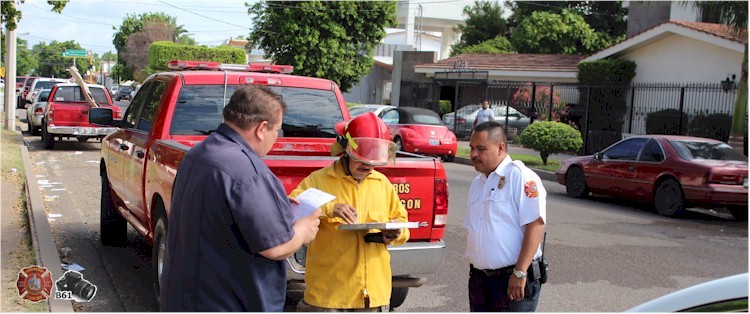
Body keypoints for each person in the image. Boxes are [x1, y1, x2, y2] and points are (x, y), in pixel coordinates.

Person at [160, 85, 321, 311]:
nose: (277, 139)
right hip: (228, 302)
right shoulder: (248, 172)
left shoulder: (197, 155)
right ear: (261, 128)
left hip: (187, 297)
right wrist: (304, 230)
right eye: (277, 131)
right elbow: (276, 247)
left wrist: (270, 203)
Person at [290, 112, 410, 312]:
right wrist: (329, 208)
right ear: (346, 149)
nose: (367, 166)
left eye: (373, 160)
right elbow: (292, 211)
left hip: (371, 297)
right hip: (328, 297)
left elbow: (402, 223)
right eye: (362, 158)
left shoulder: (383, 185)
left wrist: (395, 234)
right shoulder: (318, 181)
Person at [464, 121, 547, 312]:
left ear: (500, 148)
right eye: (471, 148)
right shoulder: (478, 183)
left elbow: (536, 225)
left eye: (480, 149)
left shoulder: (520, 176)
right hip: (480, 280)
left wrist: (520, 272)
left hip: (511, 279)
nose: (473, 154)